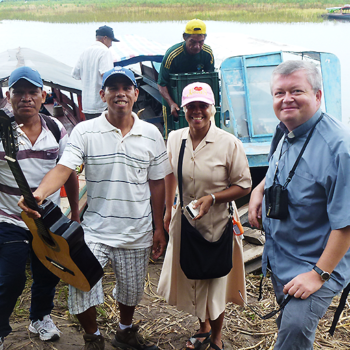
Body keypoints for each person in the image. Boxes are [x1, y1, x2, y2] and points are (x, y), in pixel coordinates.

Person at [19, 66, 171, 350]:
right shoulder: (85, 132)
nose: (120, 94)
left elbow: (157, 183)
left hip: (137, 230)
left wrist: (158, 227)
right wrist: (39, 194)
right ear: (102, 94)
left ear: (136, 94)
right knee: (80, 285)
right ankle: (93, 337)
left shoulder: (151, 134)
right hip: (96, 230)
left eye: (126, 88)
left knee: (132, 290)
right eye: (113, 88)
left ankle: (125, 332)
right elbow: (65, 168)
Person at [248, 60, 350, 350]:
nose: (287, 99)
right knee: (287, 323)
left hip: (318, 261)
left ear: (318, 96)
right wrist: (259, 189)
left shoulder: (340, 148)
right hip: (282, 254)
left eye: (297, 91)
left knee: (293, 330)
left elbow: (347, 224)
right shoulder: (284, 128)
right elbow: (276, 168)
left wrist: (317, 275)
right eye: (279, 93)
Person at [157, 82, 252, 350]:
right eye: (191, 106)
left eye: (203, 106)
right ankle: (203, 327)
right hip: (186, 218)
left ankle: (216, 336)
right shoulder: (176, 138)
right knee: (194, 275)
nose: (197, 111)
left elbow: (244, 185)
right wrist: (168, 209)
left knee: (215, 278)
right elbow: (169, 173)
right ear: (183, 109)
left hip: (218, 222)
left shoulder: (228, 143)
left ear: (212, 108)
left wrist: (213, 198)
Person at [0, 66, 80, 350]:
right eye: (18, 92)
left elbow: (68, 171)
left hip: (48, 217)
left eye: (32, 91)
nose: (25, 98)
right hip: (8, 217)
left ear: (43, 95)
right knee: (11, 276)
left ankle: (40, 318)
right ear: (8, 96)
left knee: (48, 271)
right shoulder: (2, 131)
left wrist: (75, 214)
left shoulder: (56, 129)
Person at [157, 19, 215, 137]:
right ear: (184, 37)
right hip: (173, 98)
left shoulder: (207, 53)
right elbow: (161, 83)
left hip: (197, 95)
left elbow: (211, 80)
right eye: (192, 42)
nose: (197, 46)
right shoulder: (172, 55)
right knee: (171, 133)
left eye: (201, 42)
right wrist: (171, 103)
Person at [72, 25, 117, 120]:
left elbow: (75, 74)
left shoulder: (85, 52)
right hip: (101, 105)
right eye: (111, 40)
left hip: (87, 105)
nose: (111, 44)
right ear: (105, 38)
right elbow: (107, 76)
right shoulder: (105, 52)